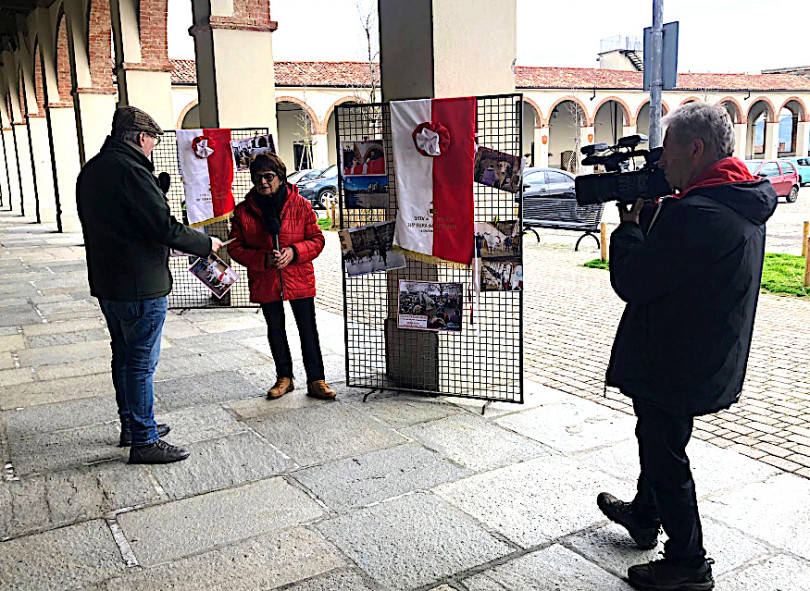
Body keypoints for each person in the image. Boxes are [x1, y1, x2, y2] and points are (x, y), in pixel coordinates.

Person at [597, 101, 777, 591]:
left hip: (675, 360)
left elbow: (633, 280)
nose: (660, 164)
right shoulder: (737, 197)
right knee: (659, 438)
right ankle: (642, 513)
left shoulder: (697, 213)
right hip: (703, 351)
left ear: (695, 149)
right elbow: (685, 267)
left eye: (669, 152)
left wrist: (630, 225)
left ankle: (688, 563)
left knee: (664, 453)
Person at [76, 105, 223, 464]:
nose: (153, 148)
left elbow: (118, 221)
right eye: (153, 142)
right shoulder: (131, 171)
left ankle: (132, 424)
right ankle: (144, 438)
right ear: (142, 138)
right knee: (141, 363)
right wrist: (206, 244)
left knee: (123, 356)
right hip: (140, 284)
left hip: (108, 282)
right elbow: (162, 227)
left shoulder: (93, 170)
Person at [227, 152, 336, 400]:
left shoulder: (301, 205)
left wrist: (294, 252)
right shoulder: (244, 211)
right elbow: (234, 247)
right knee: (275, 328)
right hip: (266, 279)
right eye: (258, 178)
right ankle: (284, 378)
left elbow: (317, 240)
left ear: (281, 177)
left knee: (308, 328)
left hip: (298, 277)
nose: (263, 183)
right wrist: (262, 259)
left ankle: (316, 379)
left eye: (269, 177)